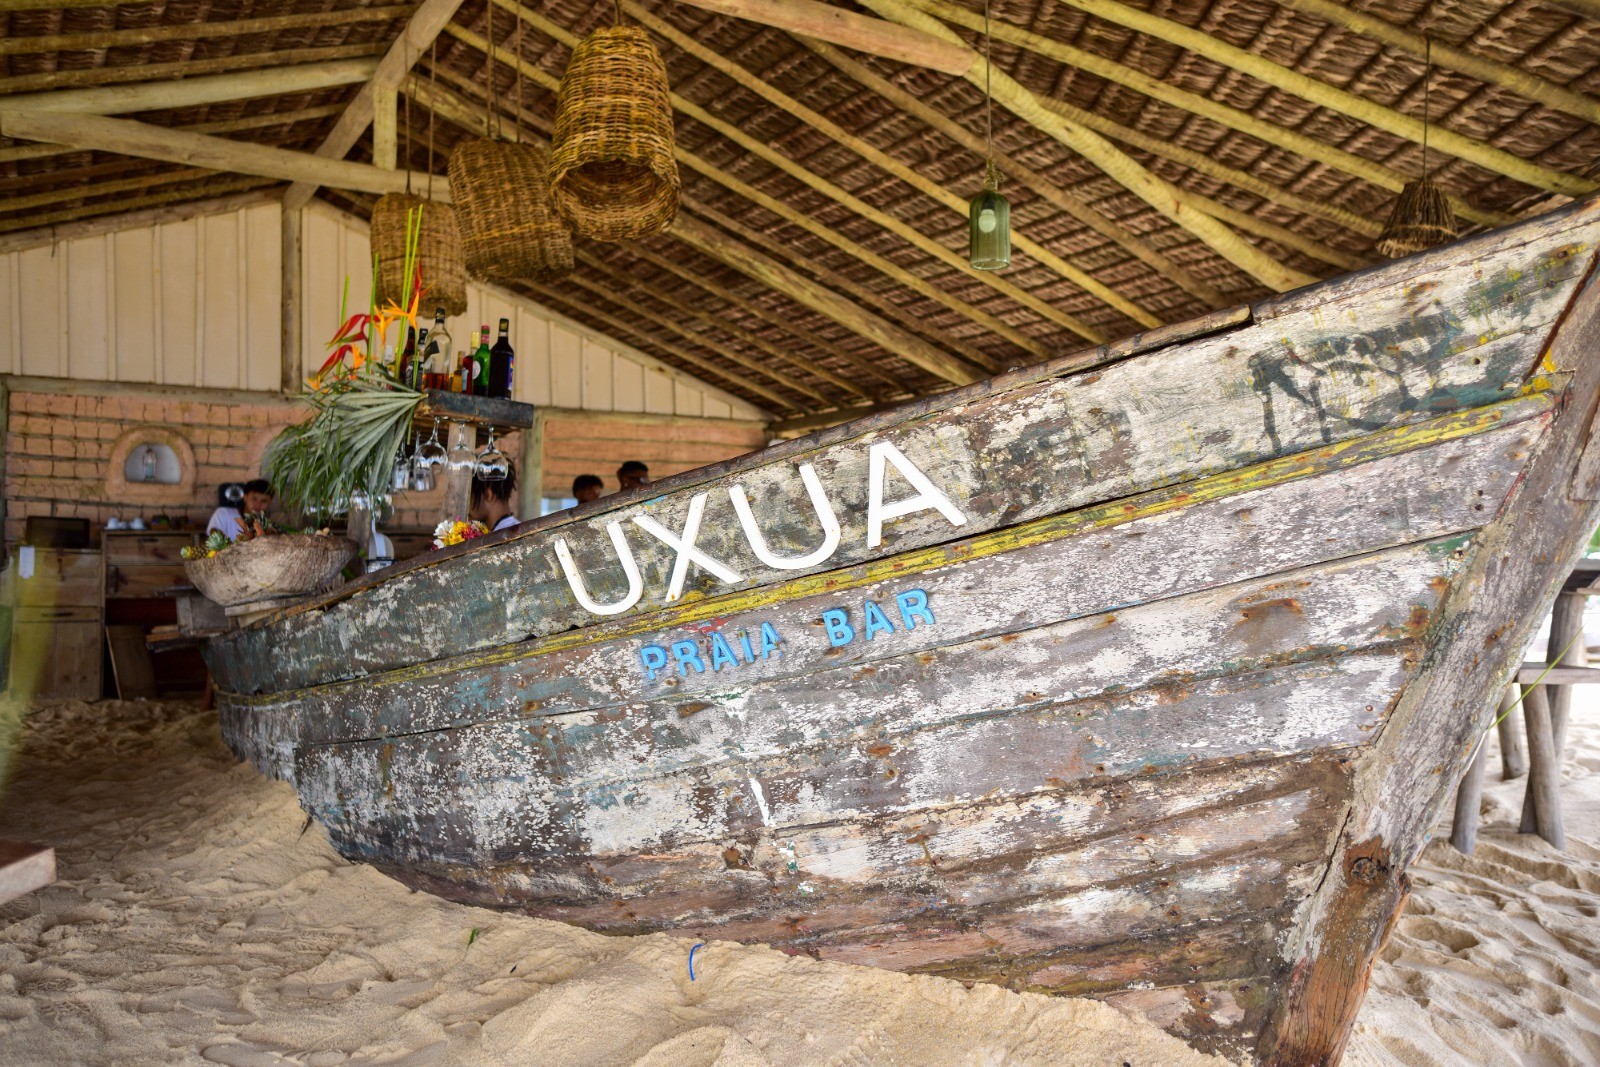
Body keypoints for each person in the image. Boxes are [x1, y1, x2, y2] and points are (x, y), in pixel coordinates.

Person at [207, 479, 273, 540]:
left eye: (264, 501)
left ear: (270, 502)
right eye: (254, 499)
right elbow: (213, 536)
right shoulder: (223, 513)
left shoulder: (268, 526)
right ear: (245, 497)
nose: (258, 505)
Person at [469, 464, 520, 533]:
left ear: (488, 495)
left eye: (470, 496)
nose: (467, 505)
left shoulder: (509, 536)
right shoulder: (516, 530)